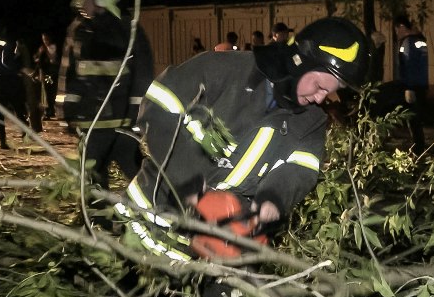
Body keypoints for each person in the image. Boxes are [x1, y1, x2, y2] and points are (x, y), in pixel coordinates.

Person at [115, 16, 371, 262]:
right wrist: (192, 188)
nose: (319, 99)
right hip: (146, 217)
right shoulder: (226, 69)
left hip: (208, 245)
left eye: (328, 93)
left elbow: (302, 168)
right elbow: (160, 103)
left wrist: (271, 200)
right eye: (319, 86)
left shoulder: (310, 122)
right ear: (300, 60)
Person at [59, 0, 155, 189]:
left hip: (120, 122)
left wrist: (136, 115)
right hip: (90, 122)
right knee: (91, 176)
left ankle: (157, 215)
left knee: (135, 173)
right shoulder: (78, 30)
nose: (77, 3)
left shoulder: (127, 29)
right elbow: (69, 73)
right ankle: (97, 221)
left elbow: (142, 74)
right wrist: (67, 110)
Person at [0, 19, 28, 149]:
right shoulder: (5, 41)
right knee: (18, 107)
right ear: (4, 29)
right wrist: (18, 56)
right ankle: (25, 134)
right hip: (8, 80)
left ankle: (1, 140)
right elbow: (6, 61)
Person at [393, 14, 429, 155]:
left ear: (401, 27)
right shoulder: (420, 40)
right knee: (416, 119)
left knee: (413, 119)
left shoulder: (407, 42)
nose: (396, 33)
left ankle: (417, 149)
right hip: (421, 85)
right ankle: (419, 147)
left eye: (396, 29)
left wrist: (409, 87)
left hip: (412, 87)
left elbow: (408, 66)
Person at [16, 37, 43, 133]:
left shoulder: (22, 49)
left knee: (32, 104)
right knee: (32, 104)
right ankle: (35, 127)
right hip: (28, 78)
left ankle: (34, 128)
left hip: (28, 79)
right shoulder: (25, 49)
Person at [34, 32, 60, 120]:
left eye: (46, 39)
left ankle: (49, 111)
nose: (45, 41)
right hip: (47, 73)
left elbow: (54, 60)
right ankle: (49, 111)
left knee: (49, 92)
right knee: (47, 92)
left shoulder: (53, 47)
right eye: (43, 39)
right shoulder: (43, 48)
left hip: (51, 73)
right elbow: (38, 60)